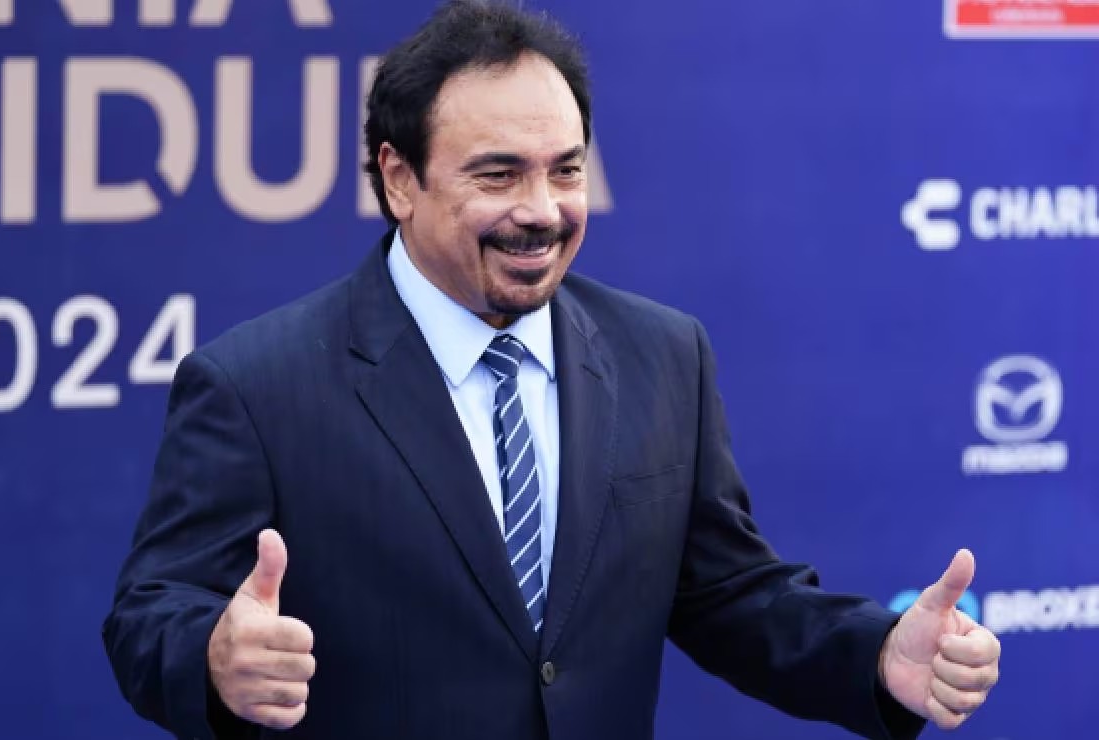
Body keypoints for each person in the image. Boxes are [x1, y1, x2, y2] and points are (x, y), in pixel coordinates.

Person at [101, 1, 1001, 738]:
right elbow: (149, 615)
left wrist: (875, 655)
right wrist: (212, 657)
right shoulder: (257, 385)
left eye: (565, 170)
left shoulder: (663, 354)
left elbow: (730, 595)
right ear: (400, 178)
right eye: (498, 175)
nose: (542, 211)